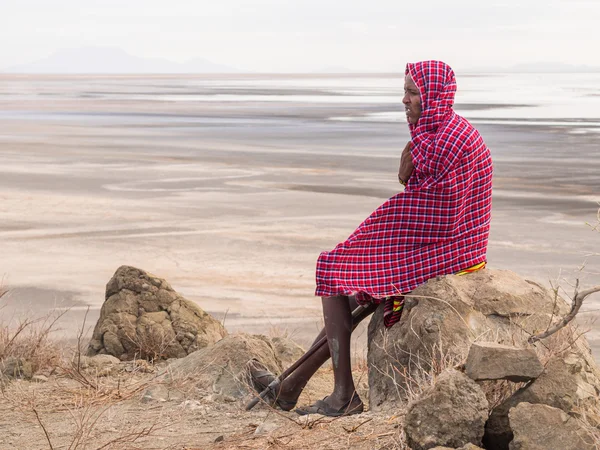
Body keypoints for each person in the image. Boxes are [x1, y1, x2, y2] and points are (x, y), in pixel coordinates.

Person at [250, 60, 493, 417]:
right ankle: (289, 388)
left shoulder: (447, 141)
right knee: (350, 296)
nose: (404, 99)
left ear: (435, 96)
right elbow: (427, 197)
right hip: (451, 239)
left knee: (335, 271)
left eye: (413, 92)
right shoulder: (440, 132)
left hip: (451, 247)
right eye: (405, 91)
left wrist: (399, 191)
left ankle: (342, 394)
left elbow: (437, 214)